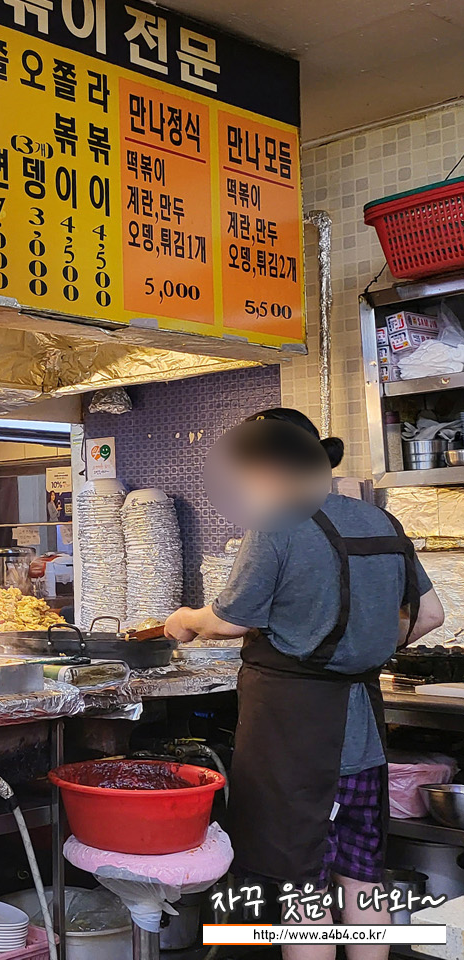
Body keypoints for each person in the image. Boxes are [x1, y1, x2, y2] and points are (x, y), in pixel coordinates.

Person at [165, 408, 445, 956]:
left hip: (295, 740)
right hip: (363, 737)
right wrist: (362, 644)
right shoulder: (381, 522)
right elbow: (430, 615)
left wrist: (186, 618)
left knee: (302, 884)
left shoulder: (276, 525)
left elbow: (229, 620)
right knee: (362, 874)